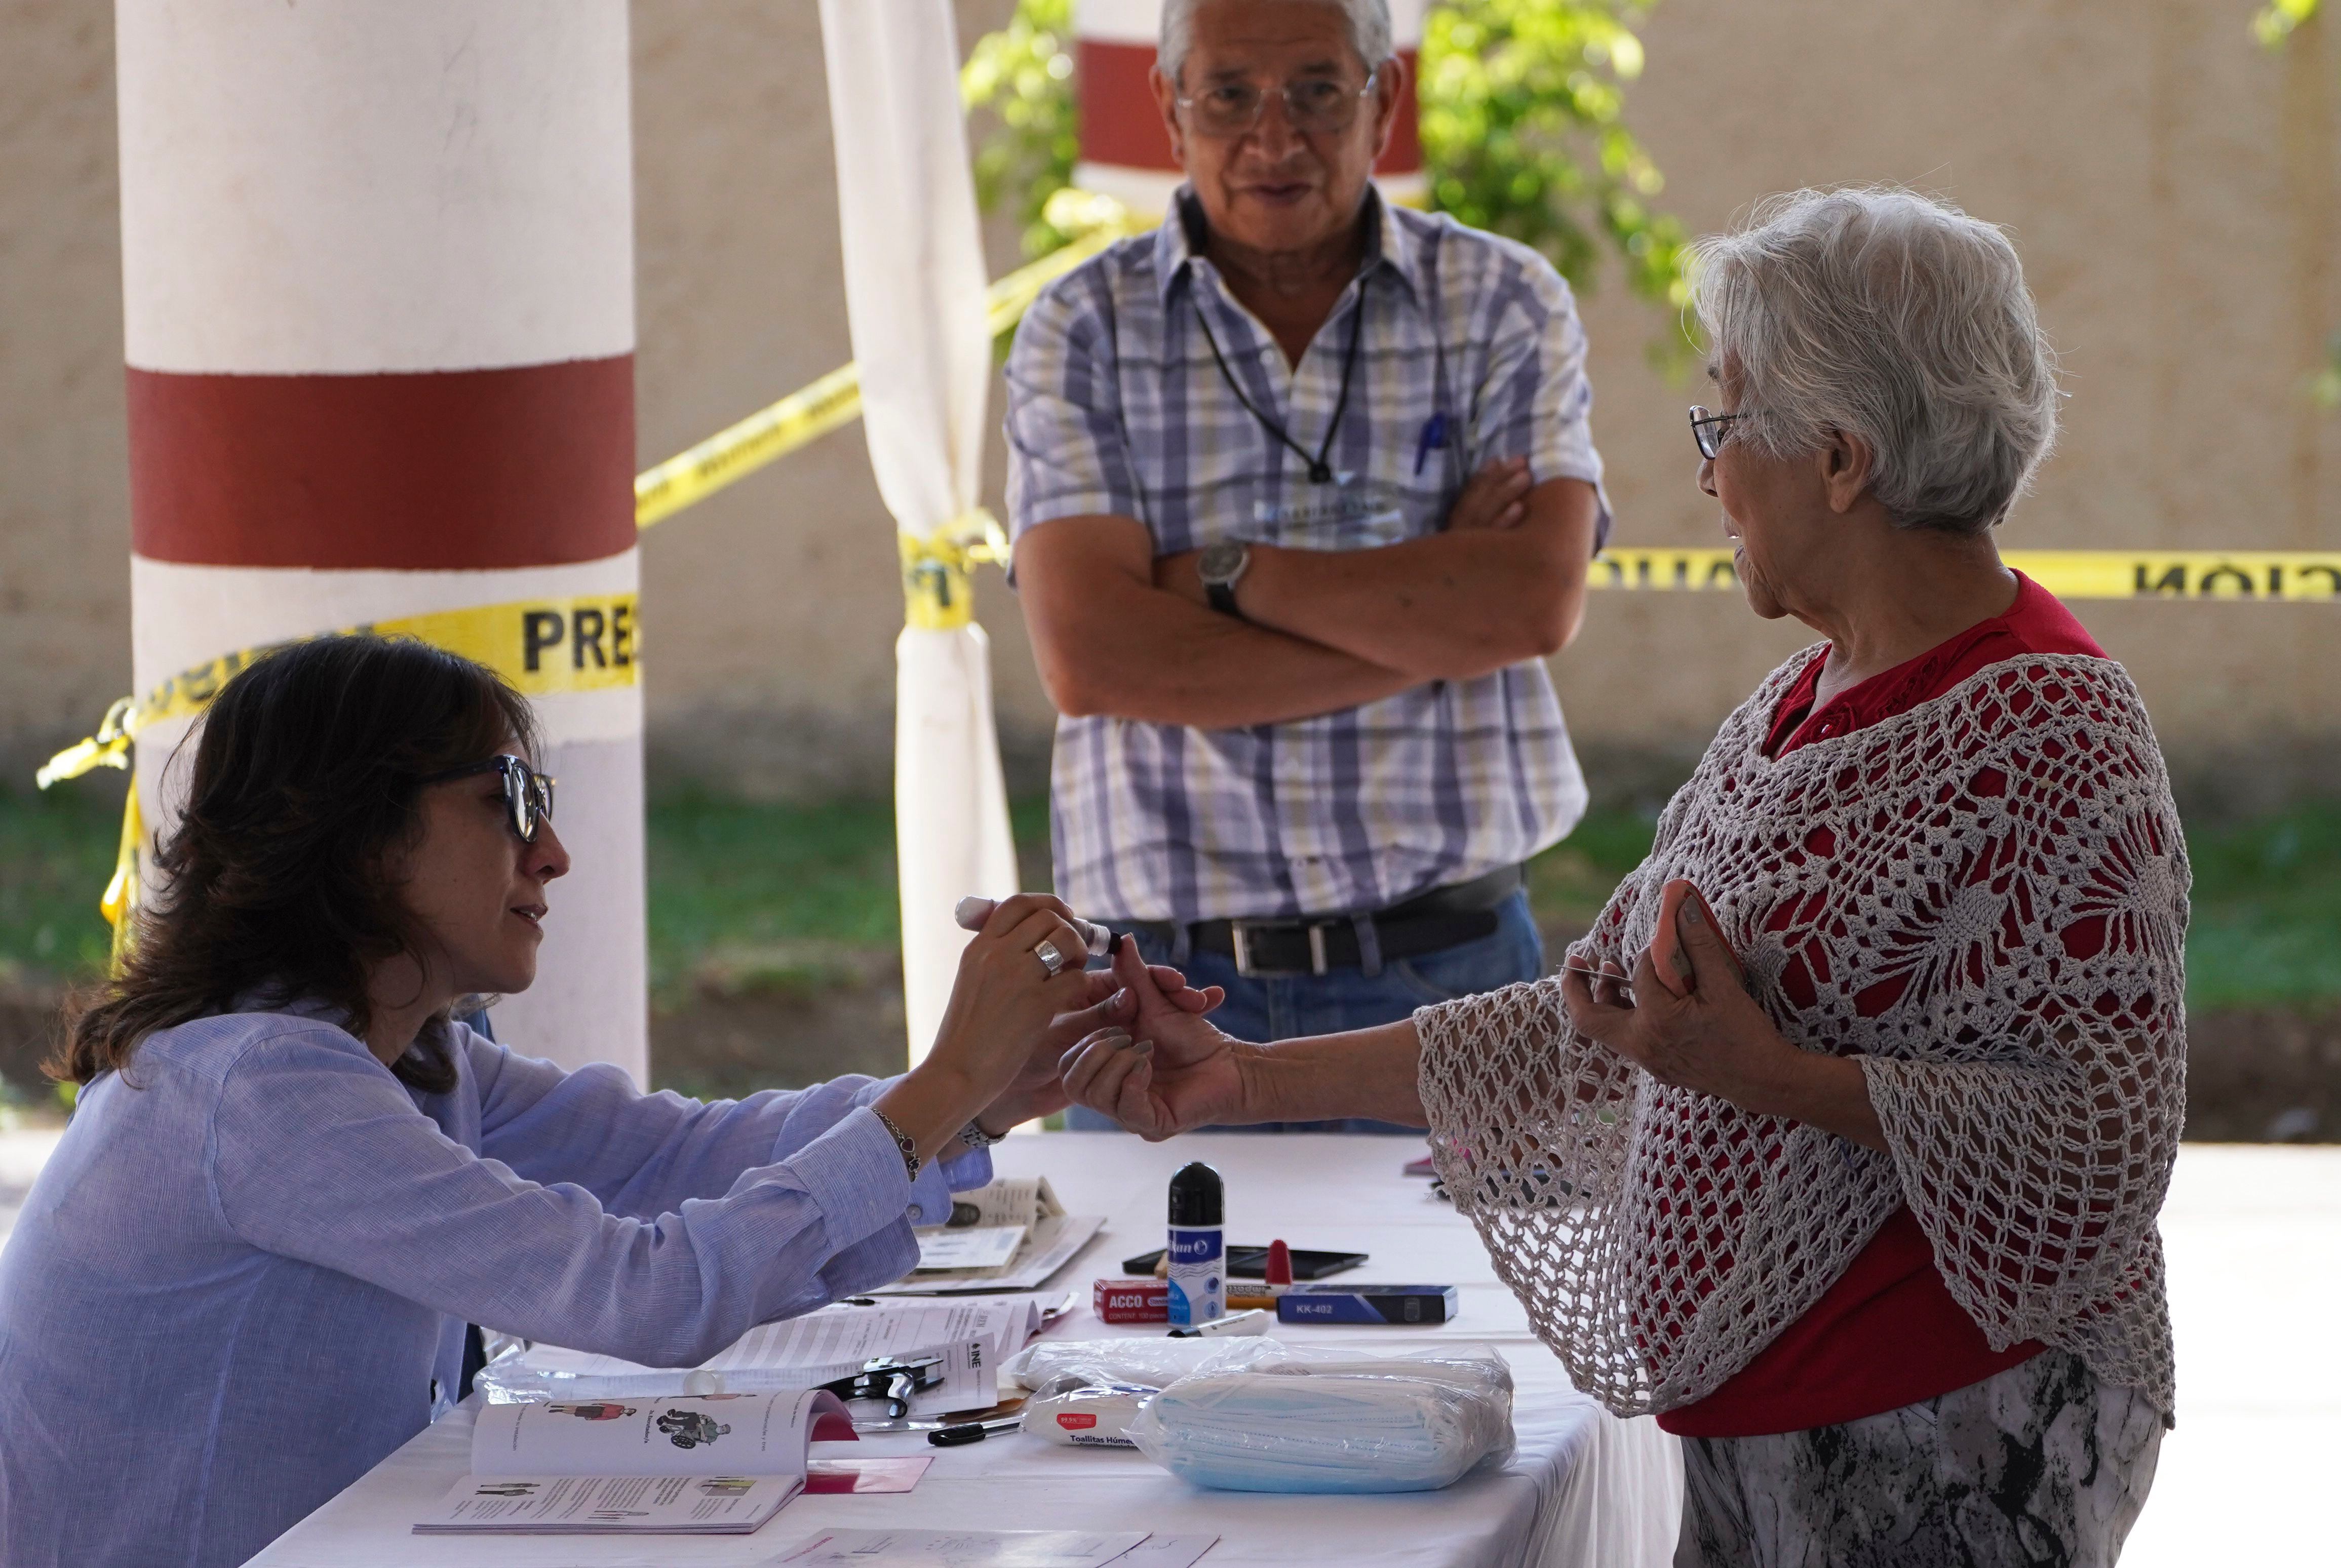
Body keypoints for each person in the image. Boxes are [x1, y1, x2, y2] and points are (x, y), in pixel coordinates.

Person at [1064, 188, 2186, 1566]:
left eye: (1723, 425)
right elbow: (1594, 1024)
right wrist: (1236, 1079)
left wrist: (1760, 1073)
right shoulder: (1797, 703)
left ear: (1838, 459)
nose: (1705, 477)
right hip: (1767, 1434)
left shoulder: (2048, 728)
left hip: (1944, 1443)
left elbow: (2101, 1138)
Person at [0, 635, 1213, 1568]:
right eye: (512, 801)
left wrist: (984, 1097)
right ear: (360, 836)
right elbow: (648, 1292)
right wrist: (944, 1083)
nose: (554, 852)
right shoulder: (262, 1090)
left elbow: (678, 1153)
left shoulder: (401, 1055)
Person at [1003, 0, 1611, 1128]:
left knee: (1477, 1309)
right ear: (1170, 110)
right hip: (1160, 997)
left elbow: (1530, 603)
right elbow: (1092, 659)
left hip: (1451, 975)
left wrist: (1224, 574)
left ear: (1383, 101)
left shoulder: (1501, 302)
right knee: (1153, 1306)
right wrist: (1431, 621)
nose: (1273, 138)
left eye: (1318, 93)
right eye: (1230, 94)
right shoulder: (1080, 328)